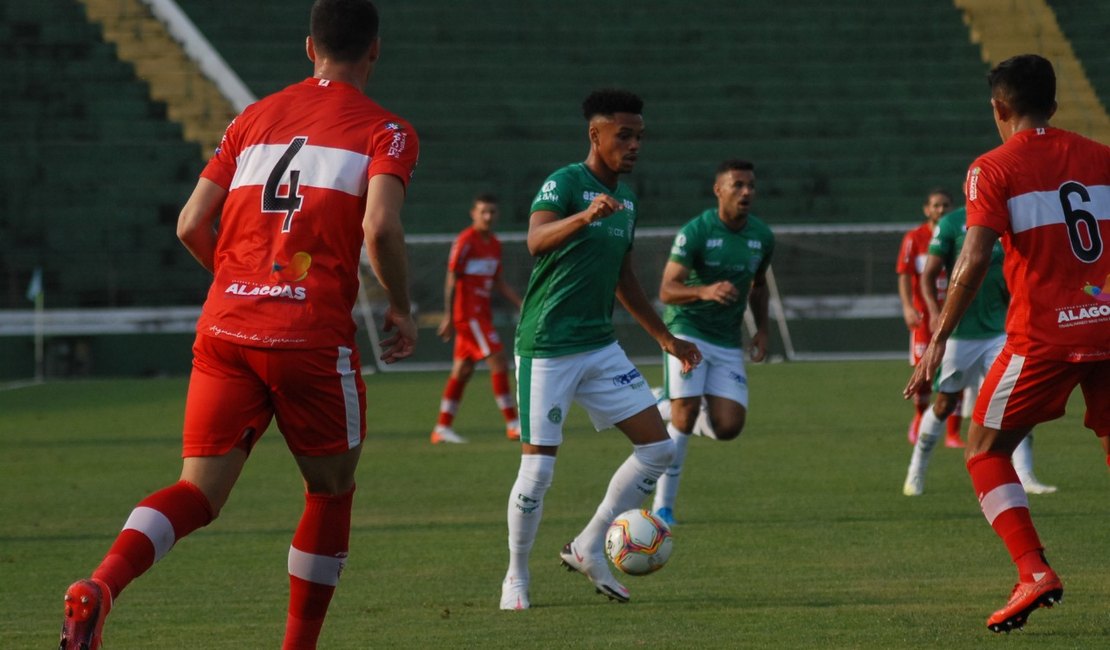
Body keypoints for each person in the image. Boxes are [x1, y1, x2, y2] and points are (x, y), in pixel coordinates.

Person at [59, 2, 420, 648]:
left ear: (308, 48)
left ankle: (102, 585)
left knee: (196, 491)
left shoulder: (251, 120)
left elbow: (191, 223)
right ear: (375, 51)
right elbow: (381, 227)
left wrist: (237, 283)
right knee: (330, 491)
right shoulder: (386, 131)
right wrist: (401, 304)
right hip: (309, 336)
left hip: (226, 329)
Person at [905, 54, 1110, 633]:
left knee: (985, 447)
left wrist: (937, 339)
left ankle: (1033, 571)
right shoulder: (1102, 158)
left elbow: (971, 259)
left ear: (999, 108)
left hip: (1046, 334)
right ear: (1056, 102)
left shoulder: (992, 168)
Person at [498, 89, 701, 611]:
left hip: (599, 346)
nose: (634, 145)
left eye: (639, 137)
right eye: (624, 135)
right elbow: (536, 241)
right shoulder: (565, 183)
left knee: (659, 449)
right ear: (596, 135)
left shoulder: (627, 201)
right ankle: (516, 577)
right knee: (539, 471)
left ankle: (588, 545)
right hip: (546, 345)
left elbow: (624, 276)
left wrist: (664, 337)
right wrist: (584, 216)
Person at [649, 159, 774, 527]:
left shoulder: (762, 237)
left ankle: (664, 401)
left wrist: (762, 330)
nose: (746, 192)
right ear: (718, 190)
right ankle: (663, 508)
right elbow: (667, 289)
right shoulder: (697, 231)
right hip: (687, 330)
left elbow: (760, 286)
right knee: (685, 418)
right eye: (737, 185)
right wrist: (704, 290)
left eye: (751, 185)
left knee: (729, 427)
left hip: (726, 340)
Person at [902, 205, 1055, 496]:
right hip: (961, 333)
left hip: (1000, 330)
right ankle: (916, 471)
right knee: (946, 404)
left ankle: (1025, 476)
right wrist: (935, 311)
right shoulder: (951, 223)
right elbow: (928, 274)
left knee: (1016, 402)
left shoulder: (1009, 219)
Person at [430, 193, 523, 444]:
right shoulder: (465, 241)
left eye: (492, 212)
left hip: (481, 315)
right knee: (499, 361)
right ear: (473, 213)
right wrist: (449, 316)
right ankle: (513, 424)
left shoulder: (494, 243)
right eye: (483, 211)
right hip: (468, 316)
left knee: (462, 371)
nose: (488, 216)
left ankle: (442, 428)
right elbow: (452, 279)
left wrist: (521, 304)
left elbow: (499, 282)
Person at [897, 189, 964, 448]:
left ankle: (953, 433)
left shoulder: (960, 235)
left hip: (955, 313)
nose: (940, 210)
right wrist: (906, 307)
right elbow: (904, 274)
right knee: (924, 372)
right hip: (924, 317)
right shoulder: (914, 238)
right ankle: (918, 416)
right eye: (935, 205)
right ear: (927, 209)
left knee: (957, 369)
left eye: (945, 205)